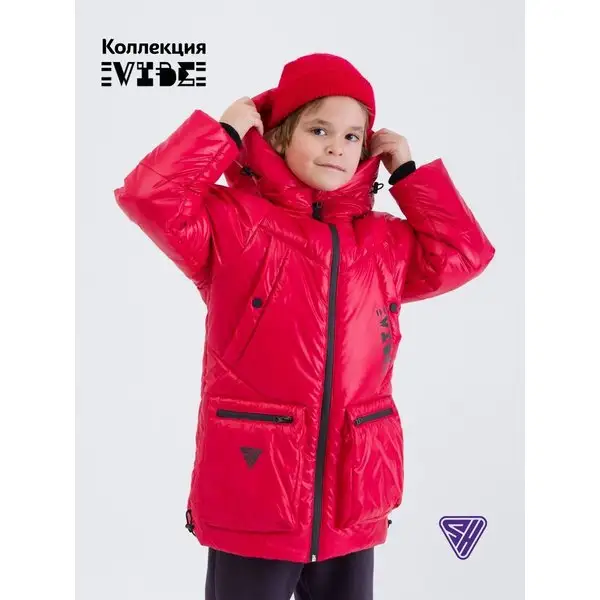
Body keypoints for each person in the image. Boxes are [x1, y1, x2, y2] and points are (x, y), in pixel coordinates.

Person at [114, 53, 495, 600]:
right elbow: (150, 197)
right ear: (279, 136)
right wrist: (222, 134)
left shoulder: (382, 243)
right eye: (319, 130)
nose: (337, 146)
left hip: (352, 491)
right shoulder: (234, 224)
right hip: (257, 491)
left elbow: (464, 254)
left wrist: (409, 176)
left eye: (352, 136)